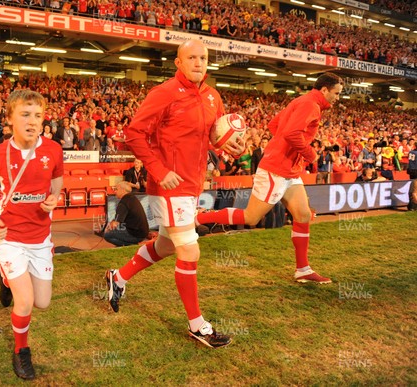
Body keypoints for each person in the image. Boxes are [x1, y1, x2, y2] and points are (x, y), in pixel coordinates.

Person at [105, 40, 243, 349]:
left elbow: (213, 136)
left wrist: (229, 145)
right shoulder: (164, 93)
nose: (198, 62)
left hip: (192, 184)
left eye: (203, 58)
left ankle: (118, 277)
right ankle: (198, 325)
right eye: (191, 57)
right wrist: (158, 170)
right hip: (168, 185)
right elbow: (134, 134)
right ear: (178, 63)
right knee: (190, 251)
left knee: (167, 245)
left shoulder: (212, 96)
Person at [195, 72, 344, 285]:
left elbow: (274, 125)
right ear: (324, 90)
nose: (338, 98)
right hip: (277, 169)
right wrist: (310, 154)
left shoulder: (304, 101)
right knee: (251, 218)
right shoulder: (310, 105)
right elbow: (292, 133)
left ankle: (302, 269)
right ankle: (200, 217)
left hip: (288, 169)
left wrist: (282, 149)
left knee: (302, 215)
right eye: (336, 93)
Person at [0, 90, 63, 380]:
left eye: (38, 115)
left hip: (40, 237)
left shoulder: (53, 149)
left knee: (43, 302)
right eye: (25, 115)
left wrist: (54, 198)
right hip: (10, 236)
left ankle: (4, 279)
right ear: (9, 120)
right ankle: (21, 351)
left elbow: (57, 181)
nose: (32, 121)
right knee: (25, 302)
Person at [103, 181, 149, 246]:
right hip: (143, 232)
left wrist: (107, 228)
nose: (114, 191)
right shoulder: (132, 198)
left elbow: (115, 224)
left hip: (135, 234)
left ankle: (129, 245)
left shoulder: (123, 203)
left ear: (123, 190)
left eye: (116, 189)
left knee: (107, 234)